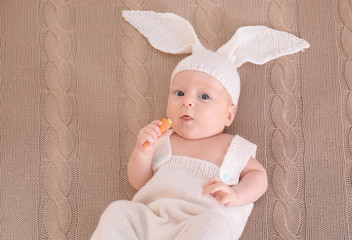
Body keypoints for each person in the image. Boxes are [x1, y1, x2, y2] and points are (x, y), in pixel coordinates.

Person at [91, 10, 309, 240]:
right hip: (152, 221)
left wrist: (236, 194)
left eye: (204, 97)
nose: (187, 101)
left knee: (213, 224)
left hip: (201, 221)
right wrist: (142, 151)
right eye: (179, 93)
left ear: (229, 115)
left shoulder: (230, 147)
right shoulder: (163, 141)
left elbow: (258, 176)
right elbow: (139, 182)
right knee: (119, 211)